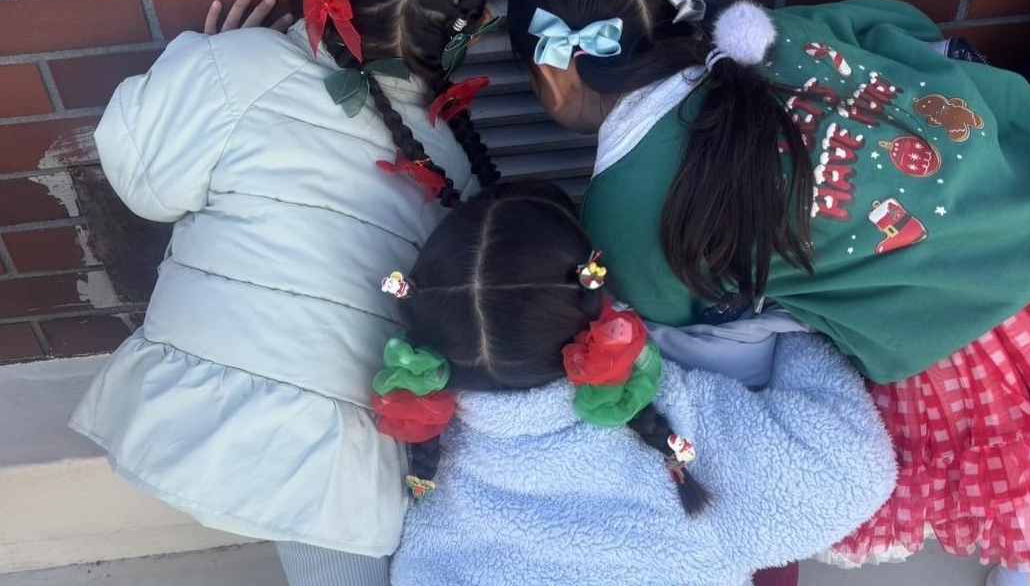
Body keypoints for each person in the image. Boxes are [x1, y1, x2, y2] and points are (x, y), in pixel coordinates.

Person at [505, 0, 1030, 585]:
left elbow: (698, 331)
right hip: (1009, 179)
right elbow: (897, 23)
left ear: (552, 75)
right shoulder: (768, 34)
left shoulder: (621, 213)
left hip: (956, 318)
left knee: (1008, 469)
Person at [70, 0, 501, 586]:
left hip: (194, 415)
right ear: (471, 28)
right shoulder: (450, 160)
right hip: (330, 453)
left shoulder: (238, 67)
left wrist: (206, 62)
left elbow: (143, 184)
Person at [374, 182, 896, 586]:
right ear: (602, 302)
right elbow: (851, 473)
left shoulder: (427, 468)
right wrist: (793, 331)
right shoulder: (683, 417)